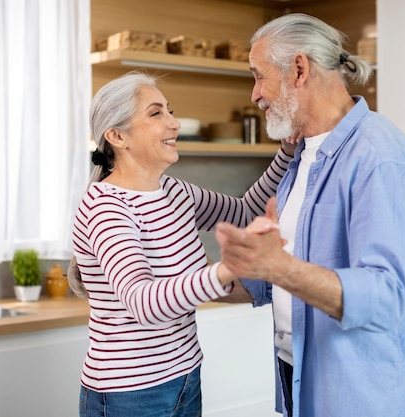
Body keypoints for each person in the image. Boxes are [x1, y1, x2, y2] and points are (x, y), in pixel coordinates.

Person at [214, 13, 405, 417]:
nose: (254, 94)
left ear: (299, 69)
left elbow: (386, 297)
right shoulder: (302, 156)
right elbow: (274, 279)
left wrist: (278, 267)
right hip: (302, 385)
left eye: (258, 75)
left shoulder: (379, 157)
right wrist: (178, 283)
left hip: (366, 400)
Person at [68, 70, 296, 417]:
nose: (173, 124)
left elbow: (244, 211)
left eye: (169, 110)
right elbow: (142, 302)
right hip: (130, 394)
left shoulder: (174, 191)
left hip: (185, 377)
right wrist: (227, 270)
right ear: (116, 135)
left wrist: (286, 153)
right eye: (156, 113)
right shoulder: (107, 206)